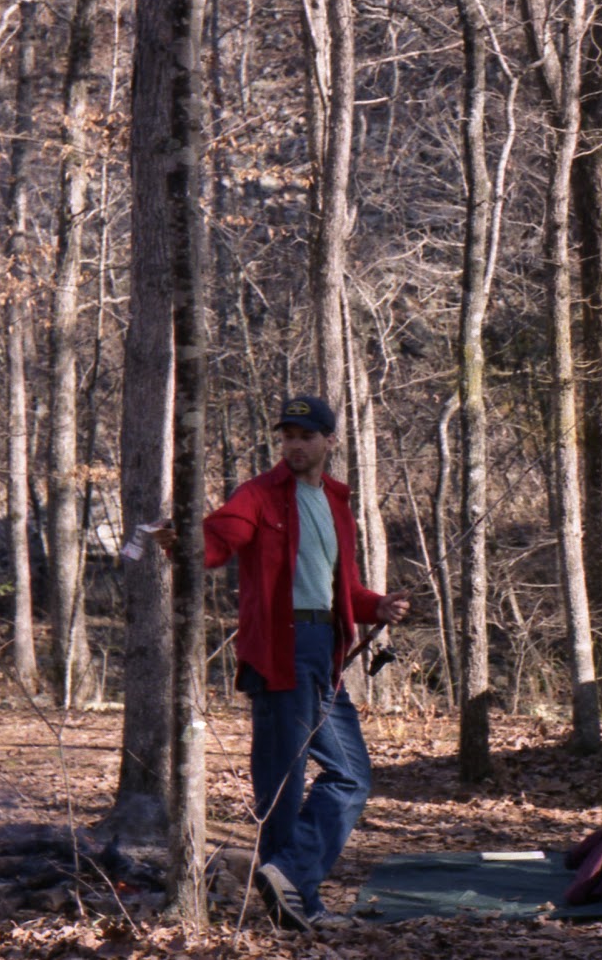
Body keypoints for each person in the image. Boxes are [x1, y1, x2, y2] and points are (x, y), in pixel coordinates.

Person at [163, 395, 410, 931]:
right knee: (284, 780)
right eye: (287, 436)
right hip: (280, 648)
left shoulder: (336, 501)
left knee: (347, 777)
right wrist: (183, 541)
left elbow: (339, 586)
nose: (295, 446)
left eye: (305, 436)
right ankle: (298, 902)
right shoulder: (259, 494)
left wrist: (376, 607)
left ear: (328, 442)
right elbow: (221, 536)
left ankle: (289, 878)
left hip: (326, 648)